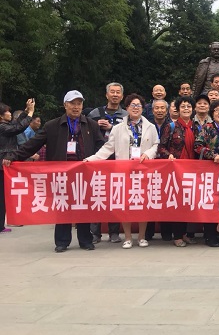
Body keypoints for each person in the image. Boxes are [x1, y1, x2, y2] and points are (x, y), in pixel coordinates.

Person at [4, 91, 105, 252]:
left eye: (79, 103)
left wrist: (101, 161)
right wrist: (13, 156)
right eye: (72, 103)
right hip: (61, 174)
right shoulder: (52, 125)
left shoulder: (90, 125)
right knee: (62, 207)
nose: (76, 107)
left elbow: (102, 146)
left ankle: (85, 240)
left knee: (83, 206)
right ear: (65, 105)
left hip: (84, 173)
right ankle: (62, 241)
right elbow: (33, 144)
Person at [84, 94, 158, 249]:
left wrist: (148, 154)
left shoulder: (150, 127)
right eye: (132, 105)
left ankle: (142, 237)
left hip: (144, 171)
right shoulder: (118, 128)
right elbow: (108, 148)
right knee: (126, 204)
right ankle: (128, 237)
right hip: (124, 171)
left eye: (138, 105)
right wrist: (91, 159)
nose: (136, 108)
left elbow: (156, 145)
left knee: (143, 204)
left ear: (143, 108)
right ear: (127, 108)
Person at [87, 82, 127, 244]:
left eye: (118, 92)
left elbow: (128, 134)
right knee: (97, 195)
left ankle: (114, 232)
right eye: (112, 92)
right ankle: (94, 233)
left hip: (117, 160)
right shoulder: (95, 113)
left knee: (115, 196)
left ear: (122, 96)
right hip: (97, 159)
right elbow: (86, 132)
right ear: (106, 95)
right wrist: (95, 126)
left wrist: (112, 127)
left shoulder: (126, 115)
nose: (115, 95)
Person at [157, 96, 199, 248]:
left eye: (189, 106)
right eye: (183, 106)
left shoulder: (196, 128)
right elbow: (161, 147)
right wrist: (168, 155)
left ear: (192, 109)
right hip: (176, 171)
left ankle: (186, 233)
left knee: (189, 202)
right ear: (178, 109)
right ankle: (177, 235)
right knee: (178, 202)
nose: (186, 109)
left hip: (193, 170)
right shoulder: (171, 126)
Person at [194, 100, 219, 247]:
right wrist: (212, 155)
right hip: (211, 170)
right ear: (212, 113)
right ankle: (209, 235)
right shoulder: (208, 128)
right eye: (217, 110)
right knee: (211, 202)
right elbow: (197, 146)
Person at [0, 99, 35, 233]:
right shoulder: (2, 127)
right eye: (7, 112)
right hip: (2, 163)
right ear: (1, 116)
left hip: (5, 163)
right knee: (2, 195)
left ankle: (1, 224)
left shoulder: (5, 126)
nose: (10, 113)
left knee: (4, 194)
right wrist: (30, 114)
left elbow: (16, 124)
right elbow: (18, 128)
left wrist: (25, 111)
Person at [145, 98, 171, 241]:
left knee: (166, 197)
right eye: (157, 108)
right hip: (149, 166)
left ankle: (166, 231)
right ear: (152, 110)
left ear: (167, 111)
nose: (160, 110)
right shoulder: (147, 125)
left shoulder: (172, 125)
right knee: (150, 197)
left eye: (162, 108)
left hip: (167, 166)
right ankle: (148, 232)